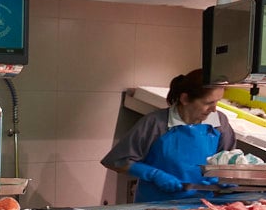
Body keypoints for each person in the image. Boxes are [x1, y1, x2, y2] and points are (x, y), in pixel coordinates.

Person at [101, 69, 236, 202]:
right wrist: (154, 174)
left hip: (203, 206)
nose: (214, 109)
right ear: (185, 99)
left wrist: (224, 176)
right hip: (155, 208)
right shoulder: (156, 123)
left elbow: (229, 160)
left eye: (217, 102)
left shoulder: (219, 123)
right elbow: (116, 161)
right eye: (208, 103)